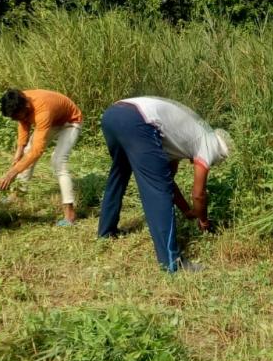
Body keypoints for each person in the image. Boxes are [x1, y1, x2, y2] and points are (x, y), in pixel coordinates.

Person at [98, 97, 232, 272]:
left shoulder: (183, 138)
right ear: (221, 152)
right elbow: (198, 193)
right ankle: (172, 262)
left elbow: (169, 179)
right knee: (157, 190)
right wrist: (204, 221)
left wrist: (186, 210)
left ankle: (106, 231)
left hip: (114, 114)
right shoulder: (211, 144)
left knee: (120, 174)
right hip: (138, 121)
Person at [0, 88, 83, 226]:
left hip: (70, 122)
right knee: (27, 152)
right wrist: (20, 149)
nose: (19, 119)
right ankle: (17, 196)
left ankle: (70, 214)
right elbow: (23, 122)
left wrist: (11, 173)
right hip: (53, 120)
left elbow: (37, 151)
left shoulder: (43, 111)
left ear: (27, 106)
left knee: (58, 162)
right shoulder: (20, 100)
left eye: (19, 116)